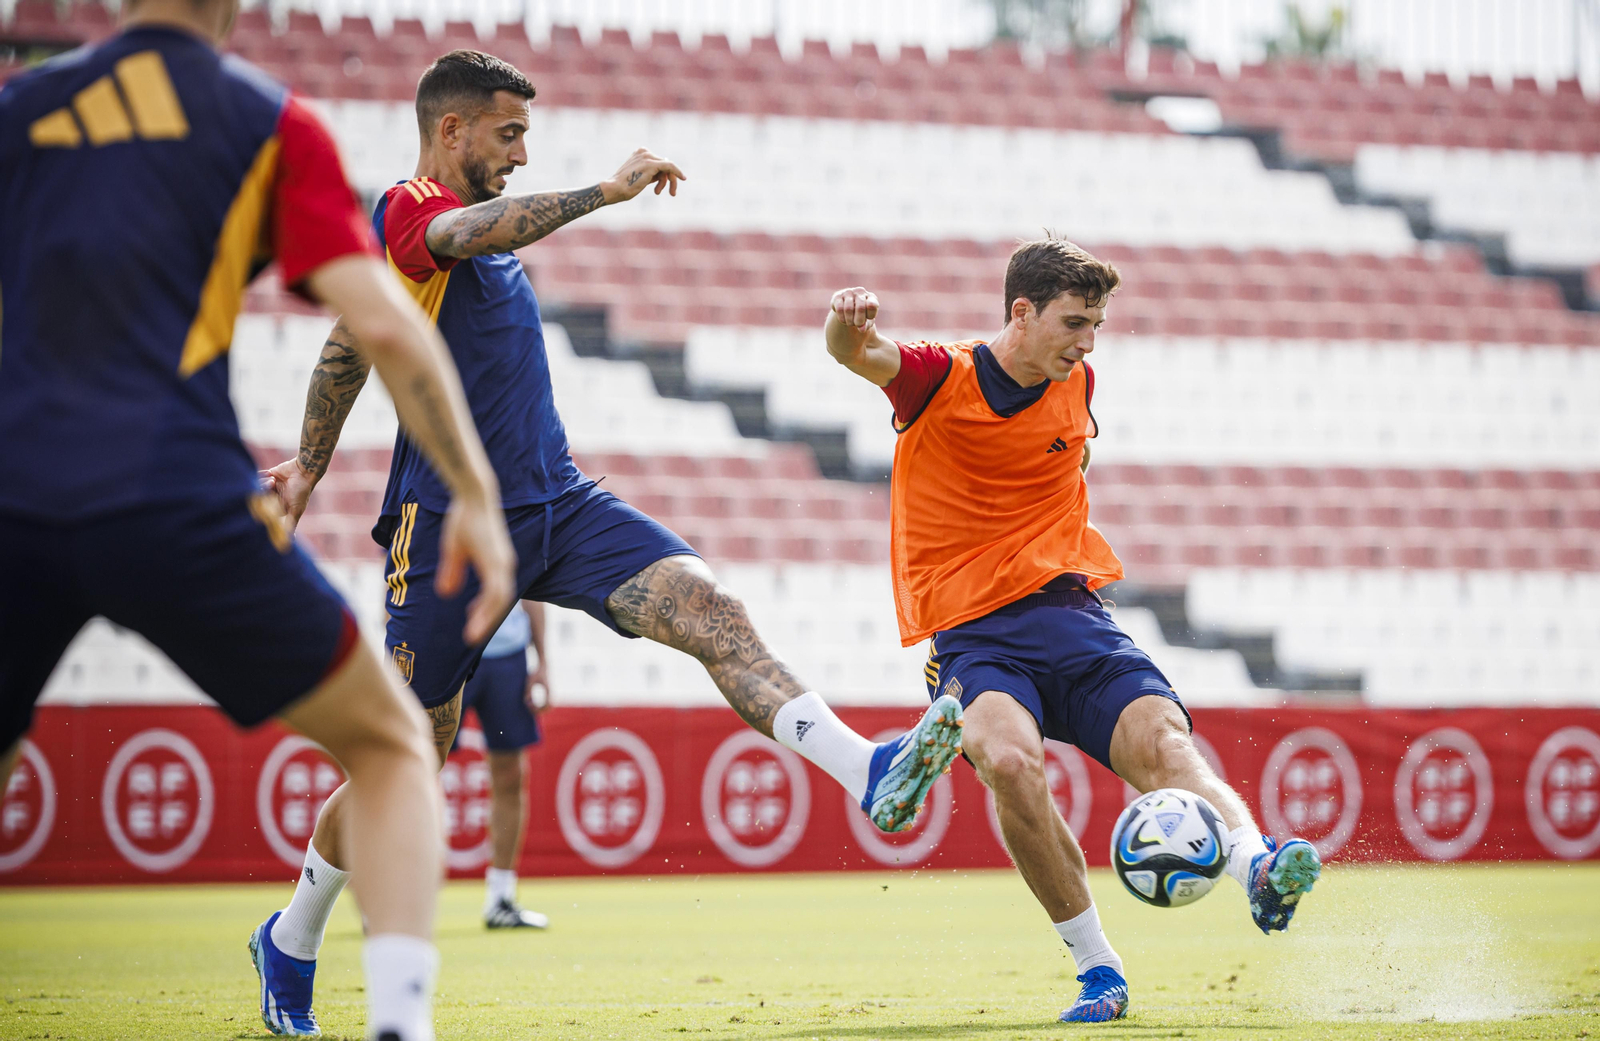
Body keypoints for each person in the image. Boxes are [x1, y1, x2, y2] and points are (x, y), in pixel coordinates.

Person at [256, 50, 964, 1029]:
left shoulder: (442, 254)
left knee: (711, 610)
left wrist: (306, 463)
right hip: (451, 527)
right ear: (451, 129)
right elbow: (416, 273)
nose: (520, 153)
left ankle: (867, 771)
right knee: (410, 755)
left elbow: (346, 346)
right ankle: (292, 938)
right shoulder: (412, 210)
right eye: (508, 133)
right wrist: (605, 191)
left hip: (561, 503)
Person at [0, 0, 517, 1038]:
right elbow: (378, 326)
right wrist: (477, 495)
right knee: (392, 746)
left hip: (14, 492)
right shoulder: (268, 120)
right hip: (175, 496)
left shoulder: (21, 109)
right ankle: (399, 1024)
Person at [822, 238, 1322, 1025]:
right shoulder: (941, 376)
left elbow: (1066, 462)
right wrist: (846, 322)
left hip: (1072, 616)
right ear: (1021, 313)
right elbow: (857, 353)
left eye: (1096, 325)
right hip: (976, 636)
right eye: (1074, 322)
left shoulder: (1078, 381)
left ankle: (1256, 867)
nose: (1088, 342)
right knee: (1008, 761)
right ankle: (1099, 969)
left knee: (1163, 740)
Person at [455, 600, 550, 930]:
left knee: (511, 774)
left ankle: (501, 899)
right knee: (415, 770)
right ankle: (390, 900)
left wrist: (543, 661)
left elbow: (531, 589)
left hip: (507, 656)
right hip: (445, 651)